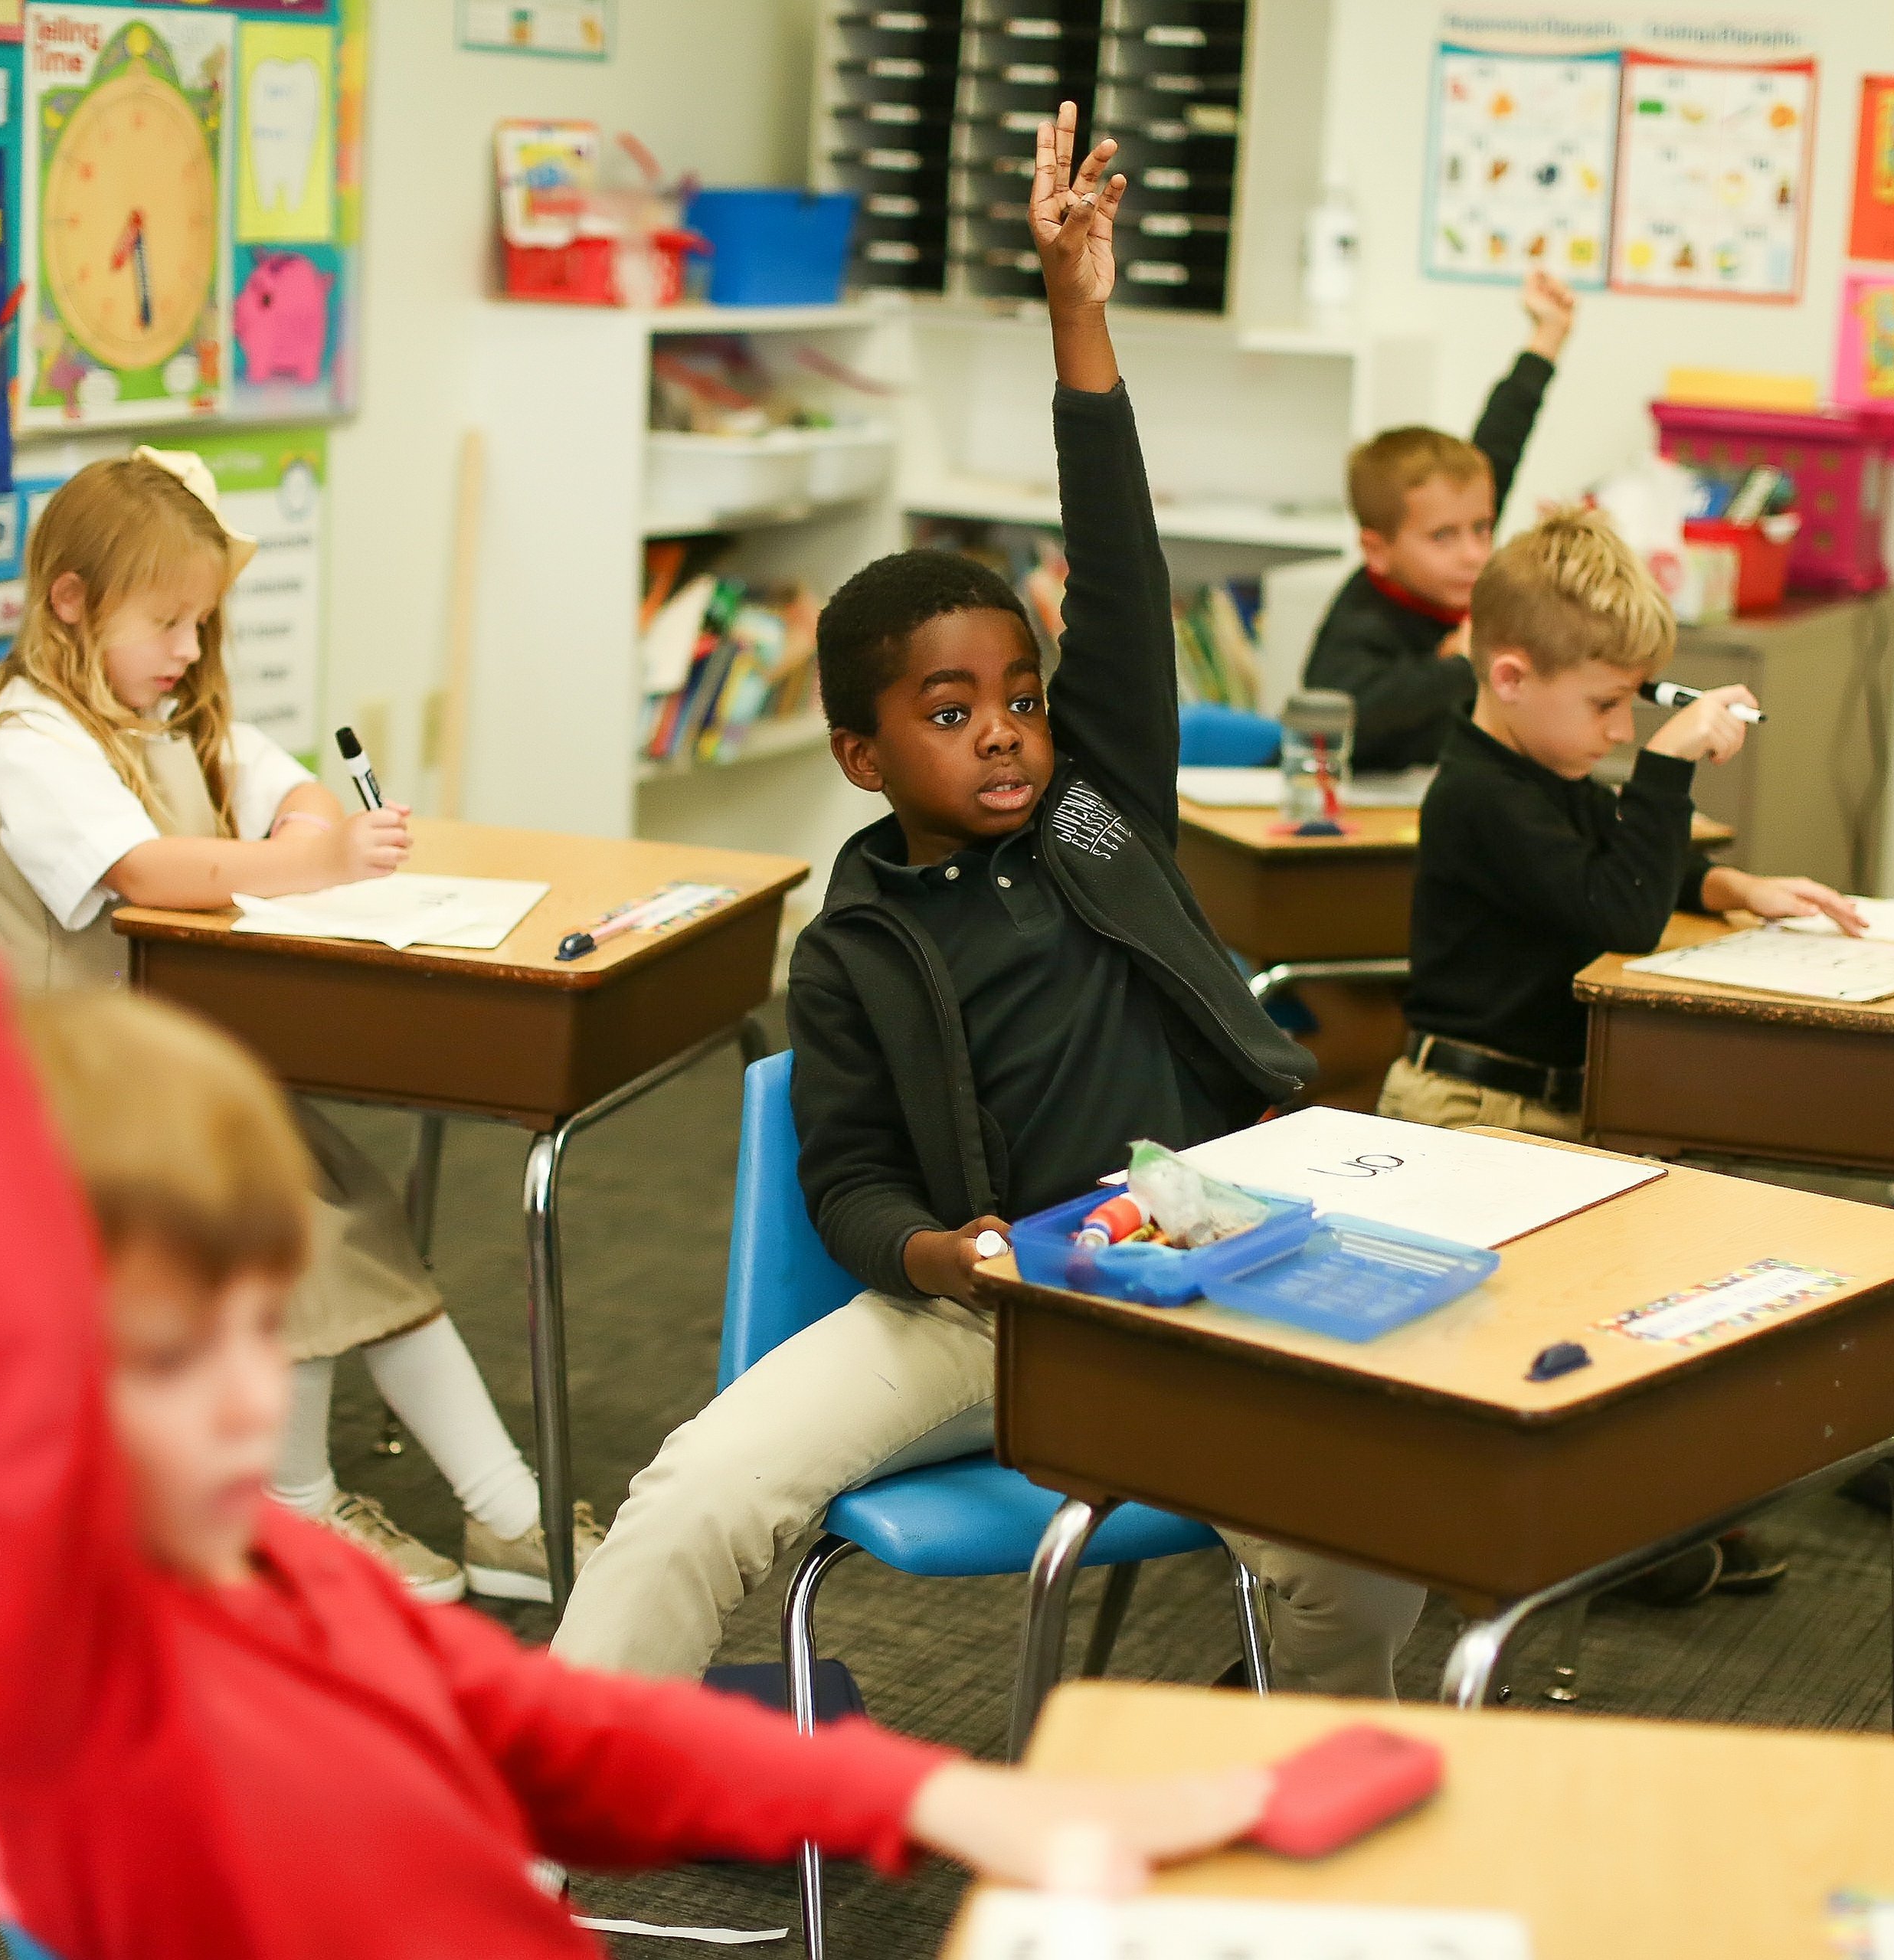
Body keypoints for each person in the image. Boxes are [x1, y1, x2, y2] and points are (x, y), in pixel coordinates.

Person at [0, 534, 1274, 1960]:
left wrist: (953, 1807)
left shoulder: (306, 1583)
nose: (242, 1393)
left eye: (252, 1334)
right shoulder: (37, 1661)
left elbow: (577, 1737)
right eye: (164, 1358)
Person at [553, 105, 1428, 1694]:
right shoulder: (848, 952)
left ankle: (1279, 1810)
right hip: (987, 1315)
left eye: (1015, 695)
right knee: (690, 1491)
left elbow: (1114, 557)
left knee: (1373, 1542)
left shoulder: (1103, 812)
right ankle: (517, 1849)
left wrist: (1074, 309)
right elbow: (849, 1182)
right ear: (858, 754)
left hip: (1199, 1282)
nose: (1004, 730)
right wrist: (943, 1257)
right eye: (948, 713)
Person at [0, 450, 592, 1601]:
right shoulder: (34, 740)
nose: (189, 653)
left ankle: (489, 1511)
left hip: (179, 1076)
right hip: (69, 1092)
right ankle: (358, 1514)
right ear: (71, 602)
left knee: (345, 1216)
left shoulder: (163, 713)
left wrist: (313, 827)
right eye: (167, 622)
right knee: (298, 1225)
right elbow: (144, 868)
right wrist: (304, 863)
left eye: (202, 623)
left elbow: (286, 784)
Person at [1379, 508, 1860, 1598]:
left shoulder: (1539, 779)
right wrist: (1663, 771)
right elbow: (1616, 906)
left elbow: (1612, 860)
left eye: (1627, 704)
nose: (1614, 727)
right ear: (1508, 676)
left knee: (1615, 1303)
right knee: (1511, 1342)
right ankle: (1540, 1534)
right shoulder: (1475, 798)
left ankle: (1609, 1515)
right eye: (1601, 704)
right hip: (1470, 1110)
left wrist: (1729, 885)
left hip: (1542, 1104)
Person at [1300, 267, 1575, 774]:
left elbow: (1502, 437)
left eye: (1482, 528)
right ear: (1377, 550)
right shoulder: (1362, 620)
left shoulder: (1461, 584)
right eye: (1442, 536)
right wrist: (1458, 667)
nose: (1473, 553)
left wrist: (1547, 334)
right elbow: (1345, 708)